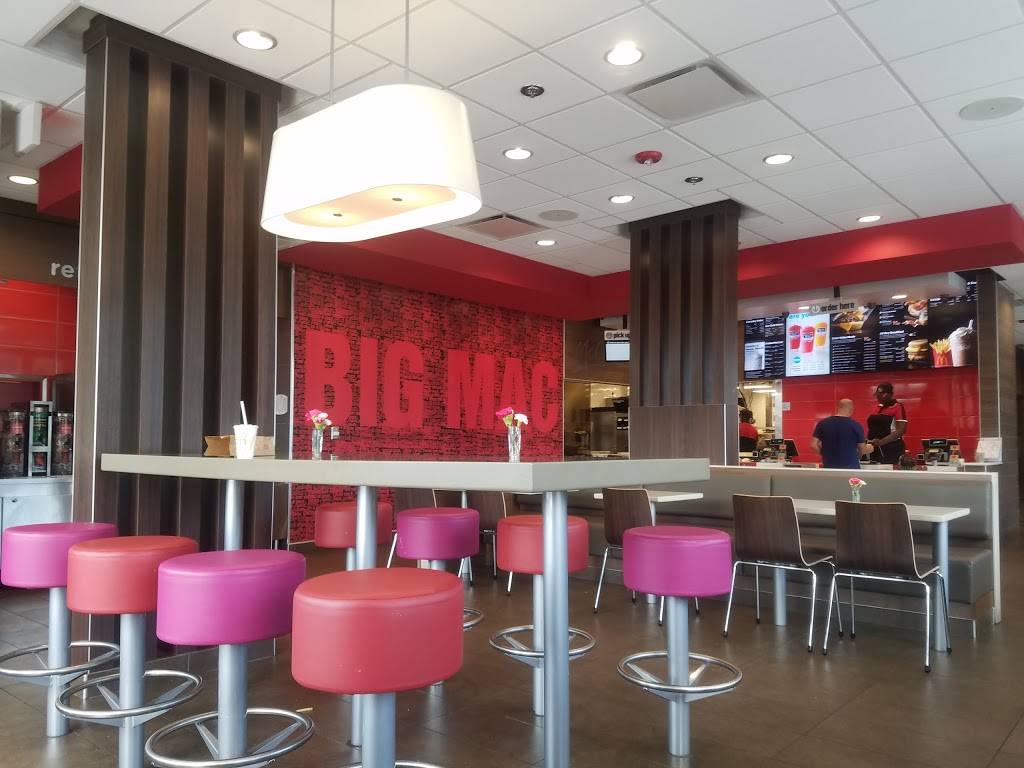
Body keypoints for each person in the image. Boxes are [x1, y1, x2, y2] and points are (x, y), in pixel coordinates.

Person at [810, 399, 869, 470]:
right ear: (851, 409)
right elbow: (862, 449)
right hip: (851, 469)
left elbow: (813, 445)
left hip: (829, 468)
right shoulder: (856, 425)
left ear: (837, 407)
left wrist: (826, 455)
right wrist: (870, 448)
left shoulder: (823, 423)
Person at [867, 382, 908, 465]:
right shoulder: (877, 408)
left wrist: (881, 442)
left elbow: (901, 430)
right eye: (878, 395)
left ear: (890, 395)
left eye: (882, 395)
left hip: (892, 449)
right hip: (875, 448)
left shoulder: (897, 406)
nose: (878, 397)